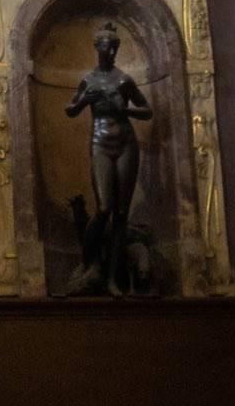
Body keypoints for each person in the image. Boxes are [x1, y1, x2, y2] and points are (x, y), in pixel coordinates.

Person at [64, 20, 152, 296]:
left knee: (121, 214)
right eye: (107, 47)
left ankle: (114, 278)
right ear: (97, 48)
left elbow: (146, 110)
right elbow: (70, 109)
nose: (111, 53)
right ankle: (88, 259)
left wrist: (123, 111)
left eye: (115, 48)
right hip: (100, 143)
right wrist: (83, 101)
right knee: (103, 208)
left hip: (126, 143)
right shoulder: (89, 80)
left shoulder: (124, 79)